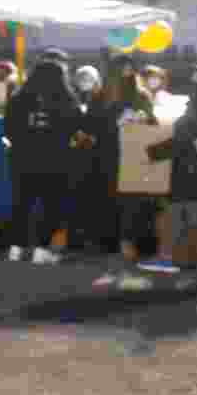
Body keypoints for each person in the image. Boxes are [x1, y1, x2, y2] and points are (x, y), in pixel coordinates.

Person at [3, 60, 84, 265]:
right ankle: (41, 250)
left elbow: (8, 129)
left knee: (21, 204)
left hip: (22, 159)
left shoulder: (18, 99)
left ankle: (16, 248)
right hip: (55, 160)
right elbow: (76, 127)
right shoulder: (66, 100)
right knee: (50, 205)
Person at [83, 53, 158, 261]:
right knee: (131, 201)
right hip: (132, 154)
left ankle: (107, 243)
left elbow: (88, 126)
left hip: (105, 155)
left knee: (108, 199)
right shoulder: (141, 96)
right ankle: (128, 242)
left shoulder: (100, 96)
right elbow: (153, 125)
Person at [141, 62, 197, 273]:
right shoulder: (195, 103)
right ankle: (183, 258)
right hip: (191, 169)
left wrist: (152, 153)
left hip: (191, 172)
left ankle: (175, 258)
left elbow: (187, 134)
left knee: (187, 215)